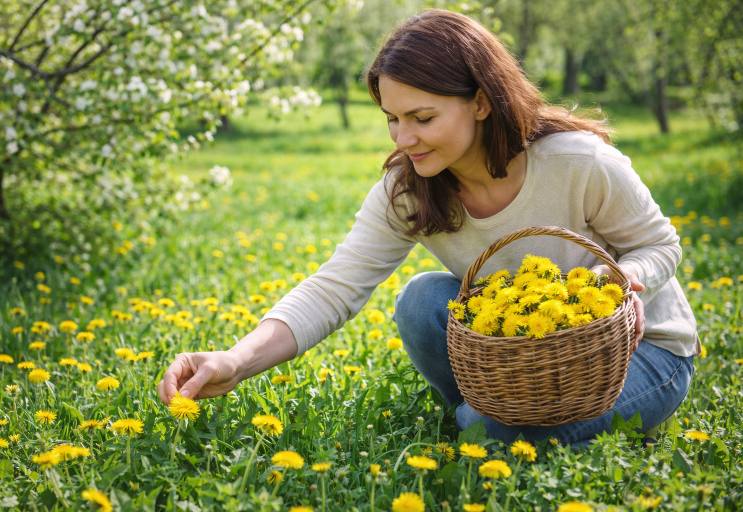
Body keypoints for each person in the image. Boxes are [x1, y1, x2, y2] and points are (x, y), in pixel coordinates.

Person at [158, 9, 700, 448]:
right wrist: (234, 359)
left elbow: (659, 243)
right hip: (517, 349)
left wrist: (625, 281)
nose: (404, 139)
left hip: (640, 351)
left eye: (422, 118)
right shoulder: (410, 191)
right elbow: (334, 287)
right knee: (422, 301)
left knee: (486, 435)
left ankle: (496, 424)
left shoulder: (577, 163)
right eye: (392, 119)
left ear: (482, 103)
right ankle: (497, 417)